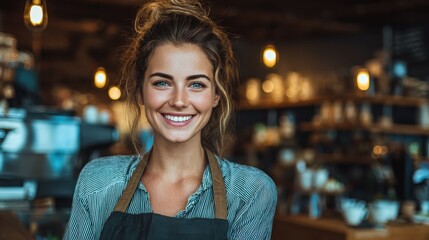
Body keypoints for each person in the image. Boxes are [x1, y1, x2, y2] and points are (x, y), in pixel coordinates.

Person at [63, 0, 277, 239]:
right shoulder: (97, 184)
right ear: (139, 90)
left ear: (216, 95)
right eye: (162, 83)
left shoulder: (250, 192)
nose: (178, 100)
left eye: (196, 84)